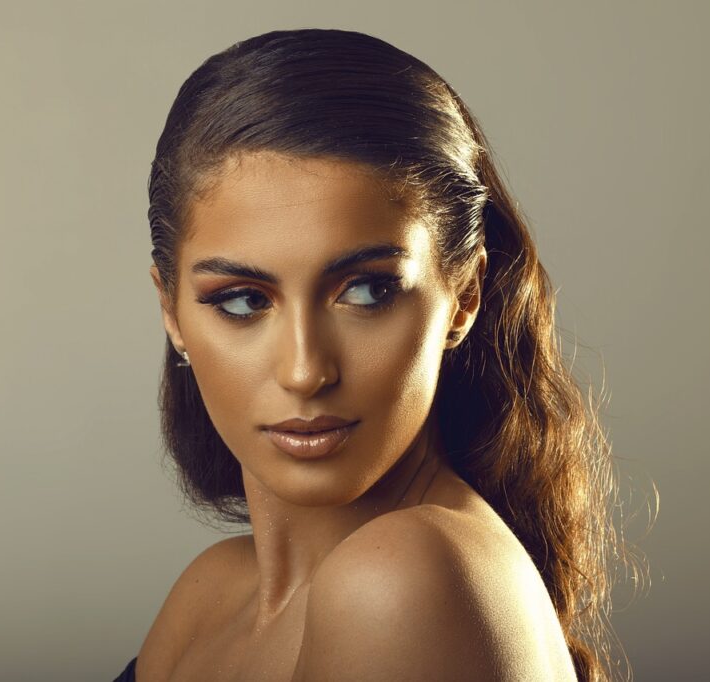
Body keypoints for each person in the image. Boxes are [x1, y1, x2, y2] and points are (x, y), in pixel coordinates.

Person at [117, 28, 632, 682]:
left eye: (367, 291)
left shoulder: (402, 582)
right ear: (172, 313)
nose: (306, 371)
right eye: (243, 300)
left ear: (465, 296)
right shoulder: (211, 594)